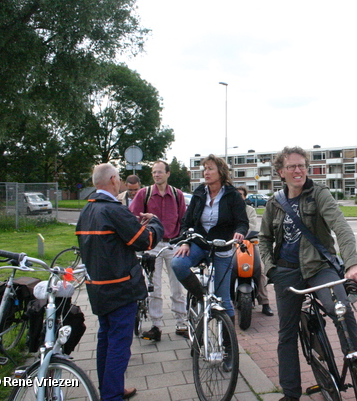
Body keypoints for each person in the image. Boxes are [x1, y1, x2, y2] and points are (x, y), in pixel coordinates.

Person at [259, 146, 357, 401]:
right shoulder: (273, 203)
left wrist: (352, 264)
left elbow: (341, 227)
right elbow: (264, 239)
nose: (298, 170)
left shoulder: (319, 194)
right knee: (287, 334)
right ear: (281, 172)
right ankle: (291, 394)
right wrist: (271, 269)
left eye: (302, 165)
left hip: (318, 268)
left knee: (342, 310)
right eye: (291, 166)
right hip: (286, 273)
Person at [76, 163, 164, 401]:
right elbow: (145, 241)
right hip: (120, 287)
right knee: (119, 344)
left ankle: (109, 388)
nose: (123, 183)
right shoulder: (113, 210)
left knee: (105, 337)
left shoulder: (87, 211)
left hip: (98, 288)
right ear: (113, 179)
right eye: (121, 179)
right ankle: (112, 395)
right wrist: (155, 221)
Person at [172, 153, 249, 324]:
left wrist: (239, 233)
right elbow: (186, 221)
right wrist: (185, 241)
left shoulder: (232, 195)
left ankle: (229, 345)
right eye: (205, 169)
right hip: (199, 244)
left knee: (224, 299)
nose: (206, 172)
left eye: (210, 169)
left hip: (222, 247)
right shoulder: (199, 192)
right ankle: (201, 296)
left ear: (221, 172)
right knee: (177, 263)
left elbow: (242, 222)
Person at [129, 160, 187, 341]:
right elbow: (132, 218)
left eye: (160, 172)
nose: (156, 175)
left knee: (177, 285)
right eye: (154, 172)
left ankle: (181, 323)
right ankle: (156, 326)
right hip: (152, 246)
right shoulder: (144, 194)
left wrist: (183, 241)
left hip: (172, 244)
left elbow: (184, 220)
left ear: (168, 174)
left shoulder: (177, 195)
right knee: (154, 287)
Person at [236, 185, 273, 316]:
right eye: (237, 194)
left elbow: (251, 226)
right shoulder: (229, 210)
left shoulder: (250, 210)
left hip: (249, 243)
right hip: (231, 245)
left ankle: (265, 303)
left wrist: (240, 235)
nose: (239, 197)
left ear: (245, 197)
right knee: (223, 269)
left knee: (259, 271)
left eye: (241, 194)